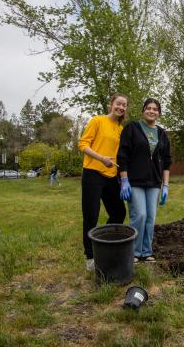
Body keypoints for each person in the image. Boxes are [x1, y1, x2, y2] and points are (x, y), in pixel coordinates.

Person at [117, 98, 172, 263]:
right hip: (134, 180)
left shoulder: (162, 134)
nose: (151, 111)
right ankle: (134, 252)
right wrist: (124, 180)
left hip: (154, 182)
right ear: (143, 111)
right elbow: (123, 155)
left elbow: (167, 161)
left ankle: (146, 252)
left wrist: (166, 185)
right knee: (139, 215)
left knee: (150, 217)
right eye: (148, 108)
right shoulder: (132, 128)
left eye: (155, 109)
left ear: (159, 113)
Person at [78, 93, 128, 271]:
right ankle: (90, 257)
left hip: (111, 176)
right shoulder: (97, 121)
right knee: (91, 216)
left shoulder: (121, 129)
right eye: (118, 104)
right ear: (111, 104)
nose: (121, 107)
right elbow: (82, 144)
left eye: (124, 105)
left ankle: (101, 241)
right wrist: (100, 158)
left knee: (119, 212)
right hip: (93, 173)